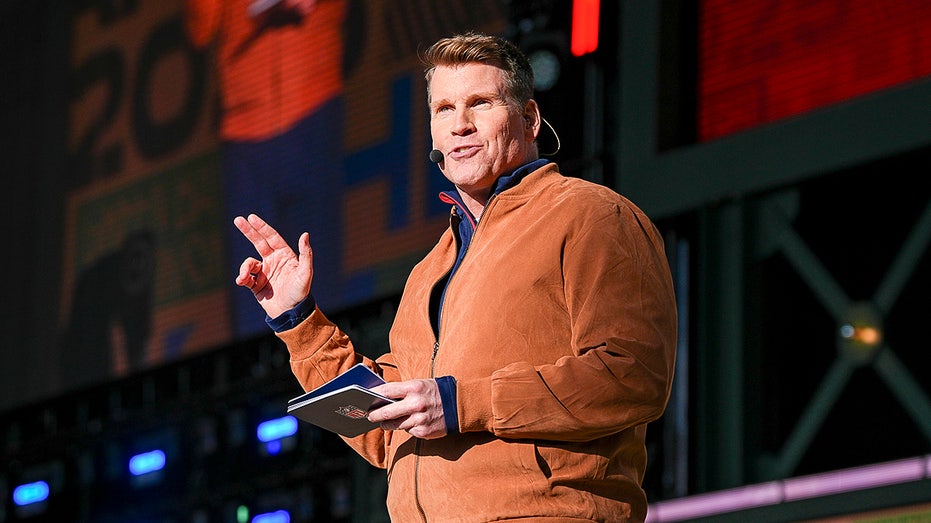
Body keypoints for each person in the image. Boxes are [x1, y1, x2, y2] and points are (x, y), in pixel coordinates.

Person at [234, 32, 677, 523]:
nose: (460, 124)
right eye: (443, 109)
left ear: (530, 119)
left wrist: (460, 402)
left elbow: (632, 375)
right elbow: (384, 432)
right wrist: (298, 320)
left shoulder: (592, 215)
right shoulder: (428, 271)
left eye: (480, 103)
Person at [184, 0, 347, 337]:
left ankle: (334, 364)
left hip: (313, 103)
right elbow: (200, 29)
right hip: (244, 126)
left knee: (320, 272)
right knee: (253, 283)